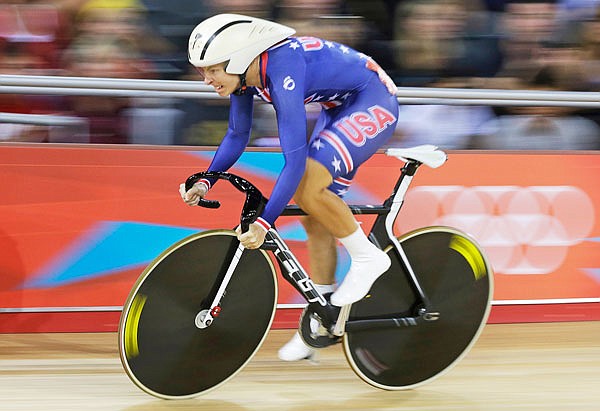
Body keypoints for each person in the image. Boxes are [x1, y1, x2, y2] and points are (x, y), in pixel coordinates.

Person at [179, 13, 399, 361]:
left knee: (308, 187)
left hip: (372, 99)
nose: (206, 79)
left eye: (212, 69)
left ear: (238, 59)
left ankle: (367, 257)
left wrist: (266, 221)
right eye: (202, 70)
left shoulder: (282, 72)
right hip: (340, 105)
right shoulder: (247, 74)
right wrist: (207, 179)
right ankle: (323, 322)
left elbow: (293, 162)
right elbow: (237, 134)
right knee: (315, 218)